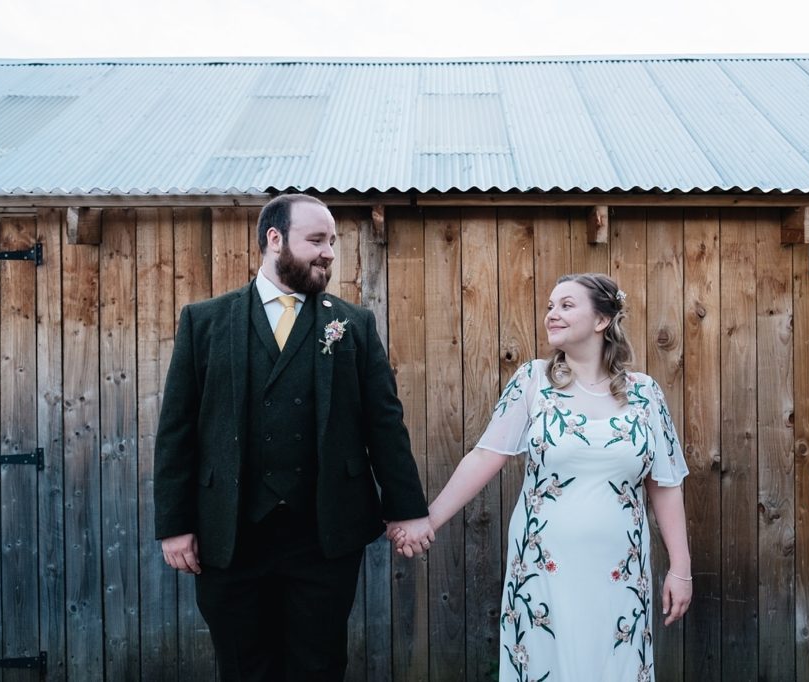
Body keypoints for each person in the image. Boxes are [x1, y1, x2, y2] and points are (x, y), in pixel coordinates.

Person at [154, 193, 435, 681]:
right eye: (317, 240)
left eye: (332, 241)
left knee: (318, 666)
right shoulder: (205, 322)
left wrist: (406, 509)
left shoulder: (353, 324)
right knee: (243, 667)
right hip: (230, 533)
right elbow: (177, 431)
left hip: (323, 535)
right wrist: (174, 524)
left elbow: (385, 424)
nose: (329, 251)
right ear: (275, 239)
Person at [391, 273, 692, 681]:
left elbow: (665, 484)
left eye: (566, 305)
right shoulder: (534, 381)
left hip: (621, 570)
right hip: (543, 565)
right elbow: (484, 457)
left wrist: (680, 568)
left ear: (602, 320)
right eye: (550, 306)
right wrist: (429, 520)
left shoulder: (645, 393)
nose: (552, 314)